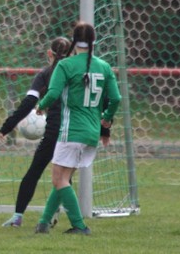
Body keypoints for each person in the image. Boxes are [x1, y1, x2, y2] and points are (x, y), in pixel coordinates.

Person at [34, 21, 121, 235]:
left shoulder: (66, 65)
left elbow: (53, 94)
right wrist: (107, 119)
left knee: (58, 178)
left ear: (74, 41)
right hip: (91, 131)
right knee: (63, 178)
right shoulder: (104, 66)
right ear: (94, 41)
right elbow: (116, 98)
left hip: (71, 131)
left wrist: (40, 106)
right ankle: (44, 224)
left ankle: (79, 226)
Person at [0, 36, 70, 228]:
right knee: (65, 176)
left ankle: (18, 217)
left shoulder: (45, 74)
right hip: (73, 131)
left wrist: (7, 126)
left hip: (53, 132)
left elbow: (28, 104)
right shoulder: (76, 73)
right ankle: (60, 213)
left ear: (49, 54)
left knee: (33, 173)